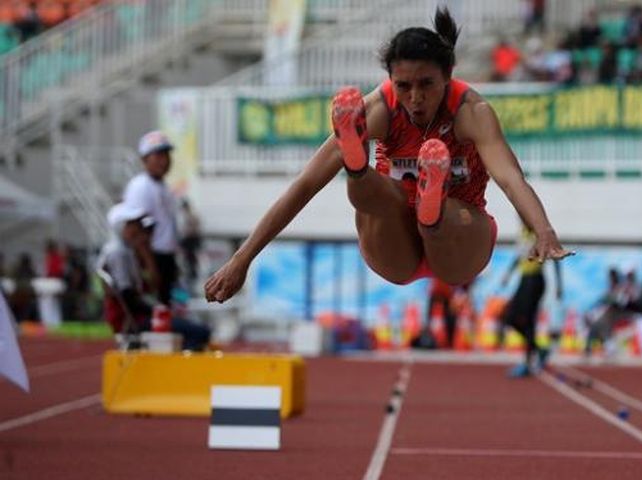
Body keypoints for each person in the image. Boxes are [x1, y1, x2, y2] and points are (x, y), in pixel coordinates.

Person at [204, 7, 572, 305]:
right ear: (391, 82)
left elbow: (510, 178)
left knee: (444, 214)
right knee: (375, 194)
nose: (414, 98)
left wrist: (544, 231)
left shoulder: (471, 111)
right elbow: (305, 184)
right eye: (404, 86)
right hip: (393, 242)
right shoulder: (378, 108)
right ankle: (357, 166)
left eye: (427, 85)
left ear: (448, 76)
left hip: (460, 239)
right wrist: (242, 259)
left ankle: (429, 207)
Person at [98, 203, 210, 351]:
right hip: (133, 321)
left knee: (192, 326)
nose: (139, 229)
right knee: (200, 332)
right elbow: (127, 295)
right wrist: (156, 310)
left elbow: (149, 286)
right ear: (121, 227)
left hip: (138, 317)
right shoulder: (119, 253)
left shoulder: (127, 251)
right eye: (133, 224)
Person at [122, 130, 180, 305]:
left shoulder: (161, 186)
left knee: (166, 309)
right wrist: (150, 267)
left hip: (164, 256)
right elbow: (134, 231)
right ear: (145, 158)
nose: (165, 160)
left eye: (167, 155)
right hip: (152, 257)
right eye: (159, 155)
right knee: (155, 312)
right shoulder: (141, 186)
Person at [501, 222, 563, 377]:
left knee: (528, 321)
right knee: (509, 317)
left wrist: (559, 285)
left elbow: (555, 255)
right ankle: (539, 350)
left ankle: (529, 362)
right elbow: (519, 256)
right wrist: (508, 274)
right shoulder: (522, 234)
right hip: (524, 279)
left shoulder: (538, 232)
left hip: (535, 280)